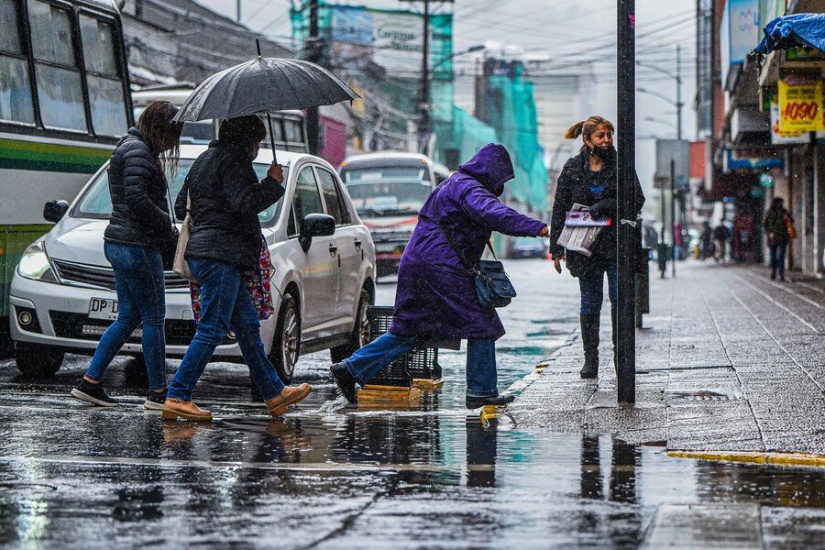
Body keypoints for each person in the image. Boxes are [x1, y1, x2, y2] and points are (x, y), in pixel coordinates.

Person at [329, 143, 549, 409]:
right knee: (482, 324)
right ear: (492, 172)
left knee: (411, 328)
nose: (500, 186)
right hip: (441, 267)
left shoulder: (451, 184)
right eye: (501, 179)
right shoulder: (469, 189)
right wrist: (537, 228)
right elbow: (494, 213)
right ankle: (481, 391)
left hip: (417, 264)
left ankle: (350, 369)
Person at [163, 115, 311, 422]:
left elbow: (180, 206)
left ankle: (274, 392)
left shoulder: (203, 160)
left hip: (207, 252)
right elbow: (244, 203)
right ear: (247, 140)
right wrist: (272, 183)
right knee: (213, 328)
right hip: (220, 255)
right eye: (257, 141)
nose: (257, 148)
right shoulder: (234, 161)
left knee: (247, 326)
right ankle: (178, 395)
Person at [71, 101, 182, 409]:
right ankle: (158, 392)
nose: (173, 143)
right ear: (160, 129)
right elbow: (137, 199)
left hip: (120, 243)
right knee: (154, 319)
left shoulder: (130, 147)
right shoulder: (138, 152)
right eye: (172, 135)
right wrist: (166, 224)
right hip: (138, 246)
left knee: (128, 316)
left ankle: (90, 382)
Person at [549, 115, 645, 379]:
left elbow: (637, 199)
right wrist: (556, 249)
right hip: (584, 248)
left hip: (616, 245)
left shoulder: (621, 165)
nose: (607, 140)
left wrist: (607, 205)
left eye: (609, 135)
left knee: (619, 300)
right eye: (601, 135)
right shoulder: (572, 168)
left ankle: (620, 358)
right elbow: (559, 208)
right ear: (587, 139)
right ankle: (590, 359)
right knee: (590, 302)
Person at [763, 197, 793, 281]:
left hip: (783, 237)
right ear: (775, 203)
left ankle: (781, 274)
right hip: (773, 237)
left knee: (781, 257)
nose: (781, 204)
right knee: (773, 257)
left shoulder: (785, 212)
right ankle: (773, 270)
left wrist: (788, 218)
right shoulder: (769, 212)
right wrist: (769, 233)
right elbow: (764, 225)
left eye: (781, 203)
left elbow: (791, 222)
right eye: (779, 203)